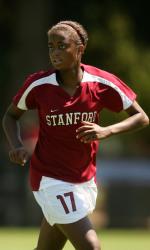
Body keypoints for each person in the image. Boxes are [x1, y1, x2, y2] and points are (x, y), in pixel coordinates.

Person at [2, 20, 149, 250]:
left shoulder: (101, 82)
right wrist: (16, 144)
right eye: (51, 46)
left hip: (84, 179)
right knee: (91, 246)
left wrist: (106, 130)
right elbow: (10, 116)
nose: (55, 52)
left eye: (62, 46)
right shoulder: (39, 85)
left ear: (80, 49)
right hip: (49, 179)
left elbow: (141, 117)